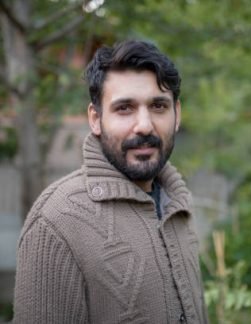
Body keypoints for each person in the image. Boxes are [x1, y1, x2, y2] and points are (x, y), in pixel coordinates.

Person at [13, 40, 208, 324]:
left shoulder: (177, 204)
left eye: (158, 106)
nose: (144, 125)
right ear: (95, 118)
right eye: (124, 108)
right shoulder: (55, 221)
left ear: (176, 114)